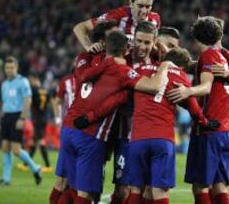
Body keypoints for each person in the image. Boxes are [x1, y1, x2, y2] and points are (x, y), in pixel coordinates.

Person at [60, 30, 174, 204]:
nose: (142, 46)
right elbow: (152, 87)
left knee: (119, 189)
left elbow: (95, 86)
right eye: (139, 41)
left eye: (147, 42)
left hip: (76, 128)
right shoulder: (124, 68)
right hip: (99, 134)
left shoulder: (94, 61)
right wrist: (165, 65)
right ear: (129, 45)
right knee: (86, 191)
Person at [167, 16, 229, 204]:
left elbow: (206, 87)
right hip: (226, 130)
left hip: (210, 131)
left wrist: (187, 90)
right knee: (219, 185)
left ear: (196, 36)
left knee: (200, 185)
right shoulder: (222, 57)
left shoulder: (208, 56)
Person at [126, 47, 208, 204]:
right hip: (162, 139)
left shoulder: (140, 69)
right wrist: (205, 121)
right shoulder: (180, 75)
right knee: (160, 192)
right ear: (182, 66)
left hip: (137, 138)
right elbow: (194, 109)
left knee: (135, 189)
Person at [49, 20, 118, 204]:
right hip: (91, 133)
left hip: (70, 127)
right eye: (115, 35)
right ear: (103, 42)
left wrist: (88, 48)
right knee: (85, 191)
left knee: (64, 182)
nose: (121, 37)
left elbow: (80, 75)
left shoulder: (84, 57)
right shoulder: (116, 64)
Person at [0, 56, 42, 187]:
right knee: (5, 147)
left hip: (17, 116)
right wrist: (2, 120)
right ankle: (6, 179)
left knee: (15, 150)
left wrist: (22, 118)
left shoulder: (23, 81)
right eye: (7, 68)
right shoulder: (4, 84)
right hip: (6, 117)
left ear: (16, 68)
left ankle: (36, 168)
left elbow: (28, 100)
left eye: (11, 67)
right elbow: (5, 103)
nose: (9, 70)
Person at [73, 0, 160, 52]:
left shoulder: (155, 20)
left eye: (148, 6)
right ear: (131, 3)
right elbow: (80, 27)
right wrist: (88, 46)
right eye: (140, 6)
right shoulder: (117, 15)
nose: (144, 11)